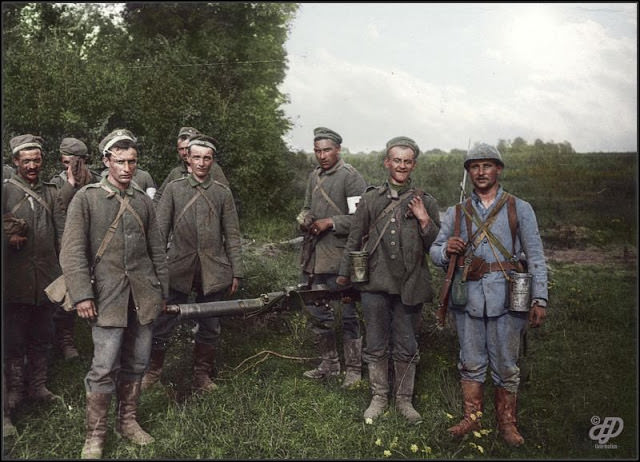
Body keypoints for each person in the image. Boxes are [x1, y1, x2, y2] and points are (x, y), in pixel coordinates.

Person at [59, 129, 169, 459]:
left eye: (132, 162)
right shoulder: (87, 198)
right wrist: (81, 295)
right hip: (106, 296)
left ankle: (129, 422)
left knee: (137, 362)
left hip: (143, 296)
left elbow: (157, 251)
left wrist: (160, 292)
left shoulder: (142, 201)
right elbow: (72, 252)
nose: (126, 168)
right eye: (119, 161)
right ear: (106, 160)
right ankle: (95, 434)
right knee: (103, 366)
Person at [429, 143, 548, 446]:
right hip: (466, 298)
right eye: (474, 167)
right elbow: (434, 250)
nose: (481, 172)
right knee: (470, 361)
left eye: (487, 166)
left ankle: (507, 424)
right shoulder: (456, 211)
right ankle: (472, 419)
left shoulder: (519, 208)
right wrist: (446, 250)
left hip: (510, 299)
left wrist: (539, 298)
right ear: (468, 172)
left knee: (506, 363)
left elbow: (535, 255)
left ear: (499, 169)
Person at [337, 136, 441, 424]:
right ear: (387, 162)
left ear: (413, 165)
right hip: (375, 284)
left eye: (407, 161)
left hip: (411, 285)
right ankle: (379, 397)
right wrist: (345, 275)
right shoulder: (371, 199)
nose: (402, 166)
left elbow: (436, 246)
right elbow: (354, 240)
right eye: (397, 160)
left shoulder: (426, 202)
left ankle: (404, 402)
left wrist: (423, 220)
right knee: (376, 342)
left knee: (407, 343)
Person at [141, 134, 243, 393]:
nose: (201, 163)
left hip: (213, 269)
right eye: (196, 157)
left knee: (210, 324)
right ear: (187, 159)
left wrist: (237, 272)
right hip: (178, 268)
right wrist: (157, 270)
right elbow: (159, 233)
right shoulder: (174, 189)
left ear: (212, 161)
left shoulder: (222, 193)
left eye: (206, 158)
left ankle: (202, 374)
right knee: (163, 321)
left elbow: (232, 235)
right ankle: (153, 370)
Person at [297, 127, 367, 388]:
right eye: (317, 150)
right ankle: (329, 364)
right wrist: (304, 218)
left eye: (327, 150)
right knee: (317, 310)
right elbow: (306, 207)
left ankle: (353, 370)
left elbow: (360, 220)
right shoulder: (313, 176)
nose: (322, 155)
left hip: (340, 257)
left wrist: (330, 222)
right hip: (314, 256)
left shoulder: (350, 177)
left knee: (347, 312)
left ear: (338, 149)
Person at [3, 134, 65, 414]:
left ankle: (38, 386)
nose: (32, 165)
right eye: (26, 160)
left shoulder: (52, 192)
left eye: (36, 160)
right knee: (14, 336)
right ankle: (15, 390)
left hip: (47, 278)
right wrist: (7, 239)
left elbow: (64, 233)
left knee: (43, 332)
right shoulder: (6, 191)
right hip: (14, 279)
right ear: (15, 161)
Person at [49, 137, 102, 360]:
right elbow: (57, 210)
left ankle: (99, 338)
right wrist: (70, 184)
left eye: (76, 161)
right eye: (66, 162)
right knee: (68, 294)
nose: (71, 167)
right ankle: (66, 340)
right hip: (66, 245)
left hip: (96, 244)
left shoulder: (97, 181)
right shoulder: (56, 184)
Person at [153, 126, 229, 206]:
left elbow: (225, 197)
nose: (185, 152)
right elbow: (159, 197)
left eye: (187, 148)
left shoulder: (213, 169)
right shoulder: (176, 172)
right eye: (181, 149)